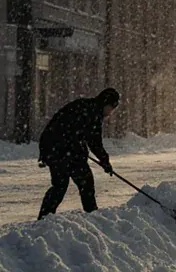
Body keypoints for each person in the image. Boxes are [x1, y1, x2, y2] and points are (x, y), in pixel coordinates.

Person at [36, 88, 120, 220]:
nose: (110, 113)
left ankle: (44, 219)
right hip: (60, 150)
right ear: (105, 103)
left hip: (56, 148)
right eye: (110, 108)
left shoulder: (87, 106)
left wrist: (102, 159)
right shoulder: (92, 113)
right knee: (82, 183)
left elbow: (86, 138)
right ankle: (93, 216)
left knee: (62, 186)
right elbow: (94, 142)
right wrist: (105, 161)